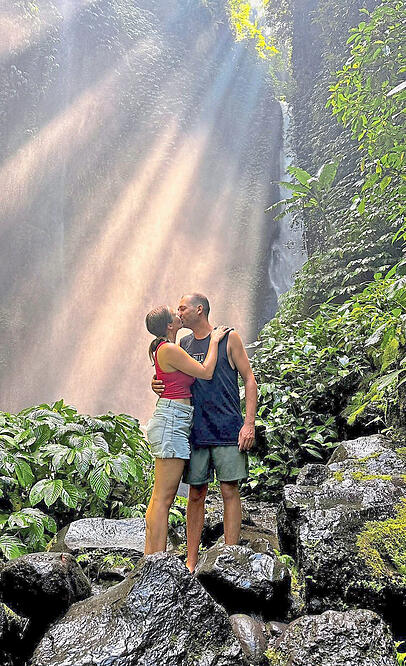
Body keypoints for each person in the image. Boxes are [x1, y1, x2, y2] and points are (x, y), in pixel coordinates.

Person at [152, 293, 257, 572]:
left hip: (227, 428)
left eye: (183, 308)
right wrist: (157, 383)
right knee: (196, 493)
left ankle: (231, 557)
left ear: (200, 310)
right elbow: (174, 375)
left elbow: (249, 378)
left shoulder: (228, 338)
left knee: (229, 490)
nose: (179, 312)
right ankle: (191, 561)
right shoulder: (182, 344)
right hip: (196, 429)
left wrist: (249, 423)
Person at [144, 304, 230, 555]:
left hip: (176, 418)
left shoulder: (170, 348)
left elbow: (170, 379)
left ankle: (151, 556)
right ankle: (154, 561)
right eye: (175, 313)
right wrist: (214, 341)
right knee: (163, 498)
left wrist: (156, 384)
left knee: (161, 497)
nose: (179, 314)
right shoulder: (169, 348)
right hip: (171, 420)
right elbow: (205, 371)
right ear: (169, 325)